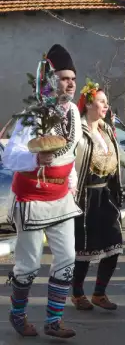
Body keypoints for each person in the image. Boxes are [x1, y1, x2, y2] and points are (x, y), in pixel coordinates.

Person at [5, 44, 82, 338]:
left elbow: (71, 156)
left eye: (73, 78)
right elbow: (11, 157)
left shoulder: (74, 112)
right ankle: (17, 314)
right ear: (51, 81)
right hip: (32, 198)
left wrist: (71, 186)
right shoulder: (32, 114)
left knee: (66, 259)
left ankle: (54, 321)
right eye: (63, 78)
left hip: (61, 198)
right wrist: (35, 158)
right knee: (29, 264)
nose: (70, 83)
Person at [71, 81, 125, 311]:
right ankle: (77, 293)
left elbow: (119, 154)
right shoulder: (79, 132)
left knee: (114, 245)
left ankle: (99, 293)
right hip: (85, 197)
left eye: (106, 102)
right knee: (84, 249)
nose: (106, 105)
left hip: (108, 195)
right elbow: (68, 159)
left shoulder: (105, 130)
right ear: (89, 104)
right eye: (102, 101)